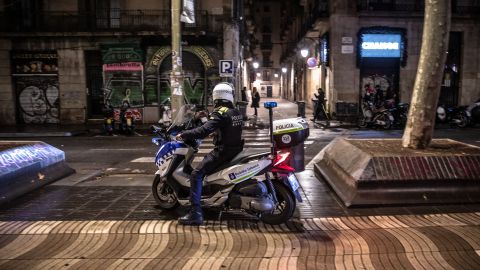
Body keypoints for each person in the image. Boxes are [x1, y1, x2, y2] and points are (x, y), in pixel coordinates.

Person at [175, 82, 244, 225]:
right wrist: (217, 133)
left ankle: (195, 213)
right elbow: (229, 129)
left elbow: (202, 131)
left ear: (216, 97)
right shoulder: (236, 112)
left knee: (196, 174)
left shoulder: (220, 113)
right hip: (235, 149)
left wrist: (184, 134)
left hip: (223, 152)